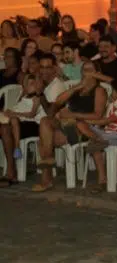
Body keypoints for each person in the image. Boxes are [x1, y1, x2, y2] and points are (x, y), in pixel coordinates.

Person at [35, 59, 108, 192]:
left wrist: (74, 115)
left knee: (44, 142)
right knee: (45, 122)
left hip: (85, 128)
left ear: (97, 73)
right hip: (67, 126)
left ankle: (47, 180)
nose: (86, 73)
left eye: (90, 70)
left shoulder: (99, 91)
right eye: (84, 70)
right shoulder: (77, 89)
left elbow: (98, 115)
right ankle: (49, 162)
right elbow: (58, 102)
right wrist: (77, 87)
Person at [76, 77, 117, 194]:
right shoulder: (114, 102)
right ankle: (96, 138)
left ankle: (102, 180)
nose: (111, 93)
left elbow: (106, 121)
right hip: (107, 134)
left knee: (94, 143)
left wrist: (90, 122)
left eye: (113, 91)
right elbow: (102, 118)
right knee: (80, 123)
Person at [0, 74, 43, 186]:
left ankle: (11, 172)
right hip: (17, 122)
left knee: (9, 124)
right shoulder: (24, 96)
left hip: (31, 123)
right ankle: (11, 171)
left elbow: (31, 114)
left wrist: (13, 113)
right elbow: (17, 107)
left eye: (32, 84)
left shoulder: (37, 98)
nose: (30, 86)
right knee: (4, 128)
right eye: (27, 84)